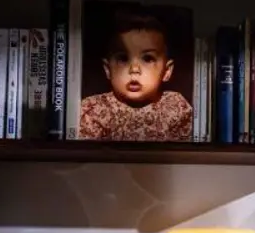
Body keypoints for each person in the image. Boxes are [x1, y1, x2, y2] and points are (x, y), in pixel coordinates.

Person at [79, 10, 193, 141]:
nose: (134, 69)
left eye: (148, 58)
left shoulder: (176, 106)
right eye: (123, 58)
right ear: (108, 69)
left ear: (167, 71)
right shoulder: (94, 109)